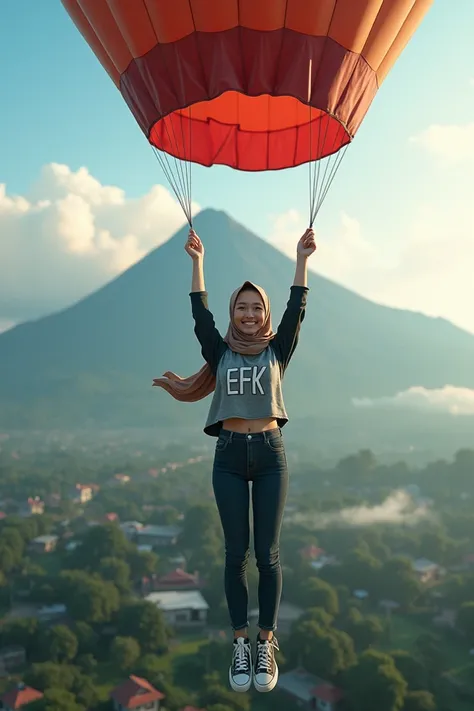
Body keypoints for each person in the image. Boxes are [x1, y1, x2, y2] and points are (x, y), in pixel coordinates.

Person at [153, 225, 316, 693]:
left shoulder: (278, 350)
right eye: (241, 307)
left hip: (269, 454)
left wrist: (301, 259)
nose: (249, 313)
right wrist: (196, 261)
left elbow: (297, 309)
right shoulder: (219, 351)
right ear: (233, 313)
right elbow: (198, 315)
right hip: (227, 456)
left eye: (256, 307)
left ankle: (266, 641)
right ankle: (240, 644)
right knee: (233, 554)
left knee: (267, 555)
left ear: (264, 314)